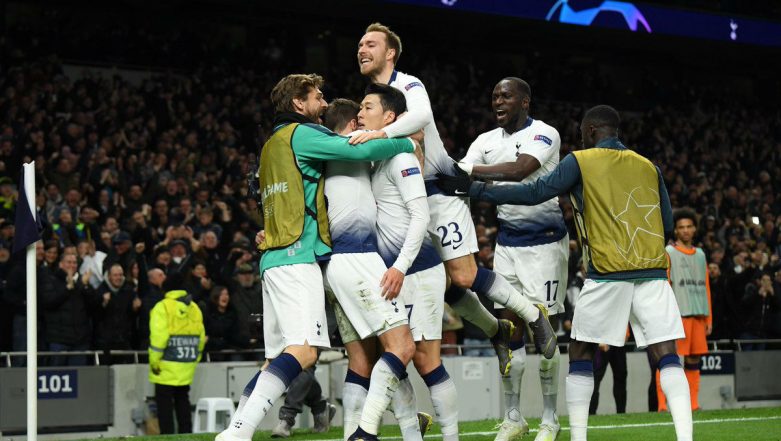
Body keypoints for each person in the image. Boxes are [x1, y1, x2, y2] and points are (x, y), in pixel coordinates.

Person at [436, 105, 693, 441]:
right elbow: (669, 224)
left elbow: (534, 193)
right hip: (654, 273)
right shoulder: (650, 167)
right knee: (666, 354)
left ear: (589, 130)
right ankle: (686, 437)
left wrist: (476, 189)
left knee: (582, 353)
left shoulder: (580, 160)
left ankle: (578, 437)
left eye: (581, 132)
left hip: (607, 274)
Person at [218, 73, 418, 441]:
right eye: (317, 97)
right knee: (305, 353)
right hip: (299, 258)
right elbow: (356, 149)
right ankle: (239, 433)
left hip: (272, 261)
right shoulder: (304, 135)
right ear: (298, 104)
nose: (324, 104)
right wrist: (402, 142)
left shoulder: (270, 146)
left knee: (276, 358)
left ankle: (235, 428)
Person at [352, 23, 556, 377]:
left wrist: (379, 132)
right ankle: (497, 330)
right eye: (359, 44)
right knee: (442, 283)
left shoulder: (408, 83)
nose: (361, 49)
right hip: (399, 200)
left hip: (437, 188)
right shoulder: (370, 98)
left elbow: (421, 118)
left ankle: (532, 314)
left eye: (370, 43)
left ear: (390, 53)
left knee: (462, 276)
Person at [458, 77, 567, 441]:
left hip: (546, 246)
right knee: (509, 334)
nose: (498, 102)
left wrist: (470, 176)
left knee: (546, 336)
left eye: (506, 96)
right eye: (494, 97)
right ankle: (514, 417)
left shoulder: (545, 133)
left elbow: (520, 170)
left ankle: (550, 418)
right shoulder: (484, 141)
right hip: (507, 245)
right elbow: (459, 172)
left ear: (525, 101)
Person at [319, 96, 424, 441]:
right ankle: (365, 432)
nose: (363, 118)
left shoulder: (332, 154)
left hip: (337, 266)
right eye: (359, 112)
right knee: (403, 348)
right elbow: (412, 135)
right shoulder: (346, 145)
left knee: (362, 362)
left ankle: (389, 432)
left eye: (369, 109)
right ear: (351, 126)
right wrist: (409, 140)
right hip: (359, 260)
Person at [362, 84, 459, 441]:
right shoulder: (378, 157)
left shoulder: (402, 157)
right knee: (394, 354)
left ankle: (451, 437)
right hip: (393, 272)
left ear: (389, 117)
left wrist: (401, 266)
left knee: (426, 360)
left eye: (368, 106)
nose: (360, 112)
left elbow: (420, 217)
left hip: (418, 268)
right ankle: (411, 433)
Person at [657, 208, 712, 411]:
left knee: (694, 360)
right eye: (681, 227)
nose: (686, 230)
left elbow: (705, 286)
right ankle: (663, 405)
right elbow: (665, 285)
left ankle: (693, 404)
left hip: (698, 315)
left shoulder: (700, 254)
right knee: (669, 359)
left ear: (695, 229)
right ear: (676, 231)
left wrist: (709, 319)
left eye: (689, 226)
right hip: (677, 316)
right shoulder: (669, 252)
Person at [148, 271, 205, 435]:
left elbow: (159, 339)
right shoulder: (193, 307)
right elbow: (201, 337)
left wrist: (154, 362)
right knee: (183, 401)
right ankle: (186, 435)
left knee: (164, 405)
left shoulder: (162, 306)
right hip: (186, 363)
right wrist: (194, 359)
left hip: (165, 364)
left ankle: (167, 436)